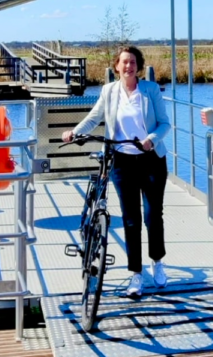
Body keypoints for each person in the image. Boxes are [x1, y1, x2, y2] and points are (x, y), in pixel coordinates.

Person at [62, 46, 170, 298]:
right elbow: (93, 117)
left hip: (151, 159)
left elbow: (165, 123)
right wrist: (74, 131)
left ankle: (157, 262)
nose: (129, 66)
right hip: (121, 163)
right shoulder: (109, 91)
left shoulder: (150, 90)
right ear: (117, 66)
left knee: (153, 216)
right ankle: (136, 274)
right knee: (130, 219)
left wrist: (151, 139)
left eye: (133, 62)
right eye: (124, 62)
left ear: (138, 66)